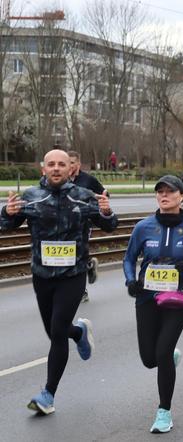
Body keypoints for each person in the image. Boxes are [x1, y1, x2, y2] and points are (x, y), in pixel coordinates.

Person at [0, 148, 118, 415]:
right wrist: (7, 212)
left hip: (73, 275)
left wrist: (107, 212)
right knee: (55, 331)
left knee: (56, 331)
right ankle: (78, 333)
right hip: (42, 275)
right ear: (43, 169)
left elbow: (110, 226)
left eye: (61, 164)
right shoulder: (31, 196)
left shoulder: (83, 196)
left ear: (70, 169)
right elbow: (6, 225)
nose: (55, 168)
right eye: (50, 164)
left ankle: (48, 394)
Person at [123, 175, 183, 433]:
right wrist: (130, 282)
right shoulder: (143, 227)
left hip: (179, 297)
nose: (164, 195)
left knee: (161, 352)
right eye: (159, 191)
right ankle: (169, 355)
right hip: (147, 296)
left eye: (170, 192)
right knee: (150, 359)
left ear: (182, 196)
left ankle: (164, 412)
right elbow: (129, 259)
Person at [68, 150, 107, 303]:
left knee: (77, 254)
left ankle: (81, 291)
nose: (69, 166)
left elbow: (104, 194)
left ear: (78, 164)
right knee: (69, 255)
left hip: (84, 223)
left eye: (72, 162)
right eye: (67, 162)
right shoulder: (62, 179)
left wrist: (95, 205)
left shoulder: (88, 180)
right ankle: (89, 265)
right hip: (65, 224)